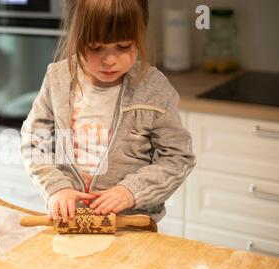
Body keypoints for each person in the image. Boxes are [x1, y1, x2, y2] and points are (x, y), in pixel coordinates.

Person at [20, 0, 196, 224]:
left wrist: (131, 191)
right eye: (95, 47)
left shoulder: (154, 88)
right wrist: (56, 188)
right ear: (77, 39)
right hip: (70, 221)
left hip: (130, 225)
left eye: (123, 46)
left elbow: (178, 157)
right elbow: (35, 141)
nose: (110, 60)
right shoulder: (58, 79)